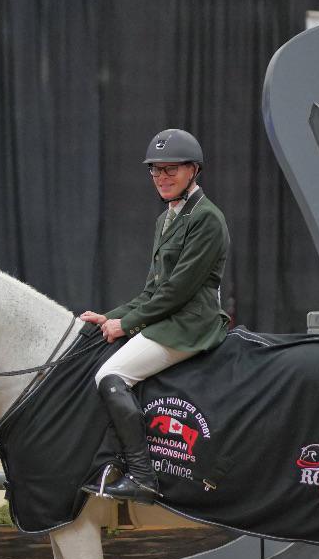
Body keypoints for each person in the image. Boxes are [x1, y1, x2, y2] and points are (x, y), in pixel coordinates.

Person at [80, 128, 230, 502]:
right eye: (155, 171)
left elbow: (177, 290)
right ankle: (112, 461)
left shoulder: (207, 219)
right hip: (168, 316)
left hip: (191, 324)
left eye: (171, 170)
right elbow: (153, 290)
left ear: (193, 170)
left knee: (110, 374)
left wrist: (127, 324)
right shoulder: (165, 219)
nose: (162, 178)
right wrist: (109, 316)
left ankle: (143, 476)